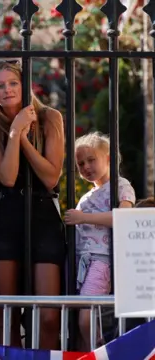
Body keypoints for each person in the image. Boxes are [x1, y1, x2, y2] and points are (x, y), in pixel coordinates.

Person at [0, 60, 65, 349]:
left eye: (13, 83)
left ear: (25, 85)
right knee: (9, 315)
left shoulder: (49, 117)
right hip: (5, 215)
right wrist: (14, 131)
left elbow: (50, 176)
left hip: (43, 214)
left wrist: (23, 136)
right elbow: (6, 177)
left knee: (48, 317)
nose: (7, 90)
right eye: (0, 85)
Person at [64, 131, 135, 351]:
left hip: (102, 260)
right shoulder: (86, 197)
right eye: (80, 163)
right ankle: (90, 352)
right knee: (80, 318)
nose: (86, 167)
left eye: (91, 160)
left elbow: (123, 218)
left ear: (108, 159)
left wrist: (82, 217)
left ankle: (99, 351)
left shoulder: (121, 186)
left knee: (86, 316)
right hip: (82, 262)